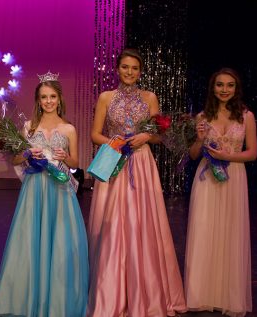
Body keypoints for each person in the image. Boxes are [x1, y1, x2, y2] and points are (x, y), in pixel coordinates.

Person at [87, 48, 187, 317]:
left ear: (140, 72)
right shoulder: (106, 97)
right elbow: (95, 134)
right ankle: (111, 291)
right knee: (113, 224)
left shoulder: (150, 97)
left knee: (141, 222)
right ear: (117, 69)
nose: (129, 72)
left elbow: (158, 136)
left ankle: (146, 291)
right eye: (125, 67)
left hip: (142, 164)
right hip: (114, 161)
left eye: (134, 68)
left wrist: (145, 138)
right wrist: (116, 142)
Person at [0, 73, 89, 316]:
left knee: (59, 239)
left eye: (52, 96)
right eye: (44, 97)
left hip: (59, 188)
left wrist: (66, 157)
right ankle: (30, 294)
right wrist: (27, 155)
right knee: (31, 238)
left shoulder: (69, 129)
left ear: (59, 99)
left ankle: (56, 296)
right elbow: (15, 157)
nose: (48, 101)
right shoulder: (28, 127)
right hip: (35, 189)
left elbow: (77, 162)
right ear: (38, 100)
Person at [185, 68, 257, 316]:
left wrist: (228, 156)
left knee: (230, 234)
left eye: (229, 85)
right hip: (207, 179)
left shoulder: (247, 117)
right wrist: (199, 138)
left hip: (234, 178)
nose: (224, 90)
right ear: (212, 88)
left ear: (236, 89)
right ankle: (202, 294)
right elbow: (193, 155)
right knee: (205, 231)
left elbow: (253, 153)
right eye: (219, 85)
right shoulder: (203, 117)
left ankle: (228, 295)